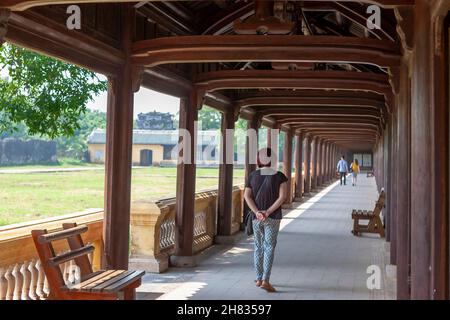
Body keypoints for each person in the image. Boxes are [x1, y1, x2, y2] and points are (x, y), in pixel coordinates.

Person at [244, 148, 287, 293]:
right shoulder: (280, 176)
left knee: (258, 247)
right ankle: (265, 281)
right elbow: (282, 198)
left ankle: (258, 278)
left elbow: (247, 196)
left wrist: (257, 212)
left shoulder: (252, 176)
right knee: (269, 247)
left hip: (257, 218)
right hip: (273, 217)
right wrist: (268, 212)